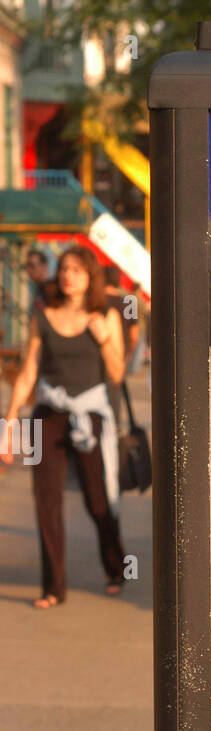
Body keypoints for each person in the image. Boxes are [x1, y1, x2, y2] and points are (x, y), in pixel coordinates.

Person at [3, 244, 127, 608]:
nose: (68, 275)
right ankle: (53, 587)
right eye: (65, 269)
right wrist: (9, 422)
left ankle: (116, 566)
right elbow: (27, 372)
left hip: (90, 414)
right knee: (46, 501)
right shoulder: (43, 317)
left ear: (90, 276)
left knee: (98, 497)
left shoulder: (105, 314)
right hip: (48, 414)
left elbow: (117, 373)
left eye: (76, 269)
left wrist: (104, 337)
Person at [103, 264, 140, 428]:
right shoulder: (129, 300)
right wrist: (128, 354)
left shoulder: (96, 301)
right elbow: (134, 334)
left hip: (100, 355)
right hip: (120, 355)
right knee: (115, 399)